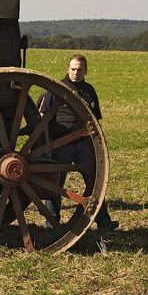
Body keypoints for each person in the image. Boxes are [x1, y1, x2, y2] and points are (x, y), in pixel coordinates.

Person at [41, 54, 118, 231]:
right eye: (73, 69)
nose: (75, 72)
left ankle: (103, 220)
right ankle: (51, 220)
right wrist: (48, 143)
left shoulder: (89, 90)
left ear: (85, 71)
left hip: (84, 143)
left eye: (79, 70)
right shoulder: (56, 88)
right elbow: (44, 117)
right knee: (55, 182)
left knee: (94, 180)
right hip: (62, 143)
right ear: (68, 69)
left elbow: (95, 119)